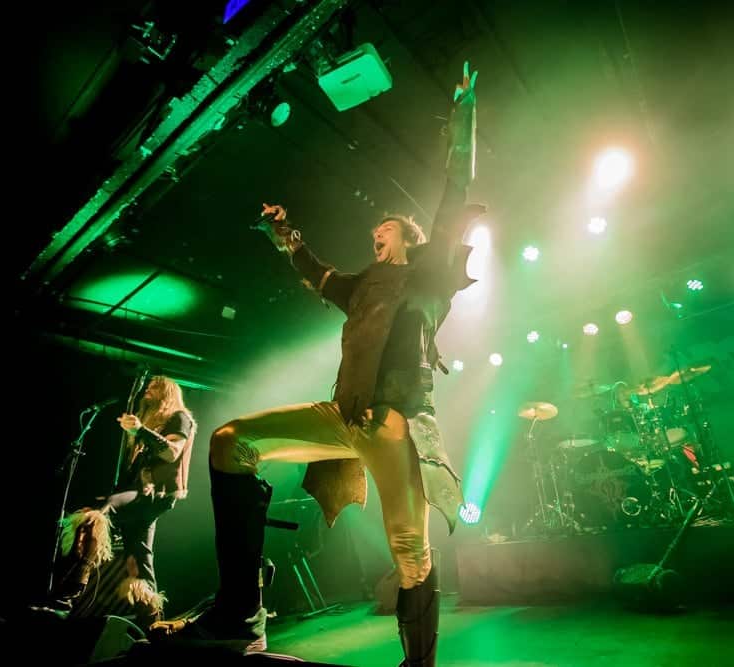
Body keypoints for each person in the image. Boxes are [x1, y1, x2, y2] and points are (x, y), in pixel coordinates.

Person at [158, 62, 484, 666]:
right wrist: (286, 236)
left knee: (411, 554)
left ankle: (419, 663)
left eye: (384, 229)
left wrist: (462, 122)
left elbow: (454, 194)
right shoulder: (361, 287)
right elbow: (317, 274)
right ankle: (240, 613)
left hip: (395, 421)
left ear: (407, 238)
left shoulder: (429, 273)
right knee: (230, 442)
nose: (375, 234)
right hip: (345, 415)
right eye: (375, 231)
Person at [50, 375, 197, 628]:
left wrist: (141, 431)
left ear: (167, 393)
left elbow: (172, 453)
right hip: (139, 492)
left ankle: (66, 598)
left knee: (97, 513)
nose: (147, 389)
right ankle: (151, 622)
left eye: (154, 387)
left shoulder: (180, 417)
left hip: (154, 493)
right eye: (147, 386)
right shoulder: (152, 420)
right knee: (138, 558)